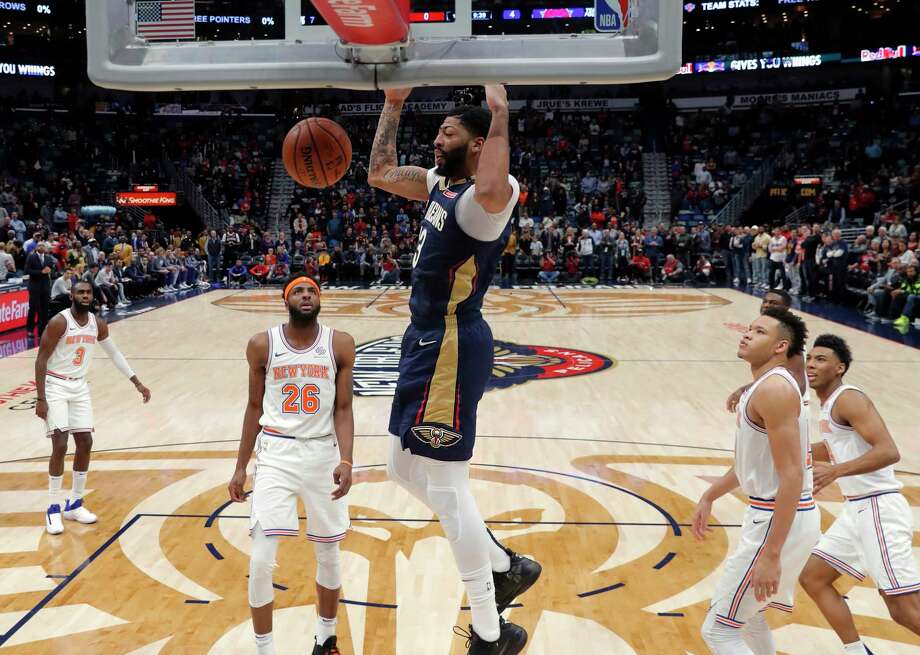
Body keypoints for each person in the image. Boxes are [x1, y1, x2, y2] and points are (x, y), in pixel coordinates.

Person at [368, 85, 539, 654]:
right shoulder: (443, 185)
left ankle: (491, 632)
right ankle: (501, 561)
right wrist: (393, 102)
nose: (437, 138)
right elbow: (379, 172)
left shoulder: (486, 201)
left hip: (452, 345)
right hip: (424, 341)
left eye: (447, 132)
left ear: (478, 143)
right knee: (399, 466)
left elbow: (493, 183)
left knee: (447, 484)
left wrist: (499, 114)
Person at [228, 276, 356, 655]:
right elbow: (253, 408)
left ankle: (325, 638)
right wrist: (240, 467)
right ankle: (265, 649)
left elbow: (344, 409)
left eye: (312, 291)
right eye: (298, 291)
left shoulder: (340, 343)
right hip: (277, 454)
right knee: (262, 559)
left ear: (320, 300)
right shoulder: (262, 344)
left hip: (322, 454)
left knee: (329, 552)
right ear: (286, 299)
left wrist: (347, 459)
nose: (306, 295)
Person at [693, 308, 819, 654]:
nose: (747, 334)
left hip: (778, 518)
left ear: (780, 346)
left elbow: (791, 475)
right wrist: (710, 494)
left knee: (718, 630)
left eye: (759, 332)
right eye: (748, 328)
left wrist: (771, 553)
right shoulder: (766, 386)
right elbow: (752, 464)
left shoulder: (774, 391)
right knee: (749, 618)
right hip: (784, 516)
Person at [798, 335, 919, 653]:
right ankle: (857, 651)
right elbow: (835, 445)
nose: (812, 363)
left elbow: (889, 452)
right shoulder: (829, 405)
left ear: (840, 368)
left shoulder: (848, 398)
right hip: (856, 511)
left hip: (878, 507)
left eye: (821, 359)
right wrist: (796, 453)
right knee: (814, 578)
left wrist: (836, 471)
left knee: (904, 609)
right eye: (810, 358)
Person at [34, 279, 151, 535]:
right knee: (61, 444)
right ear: (72, 295)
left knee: (85, 442)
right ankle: (53, 507)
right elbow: (41, 359)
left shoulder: (98, 323)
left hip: (79, 387)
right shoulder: (59, 322)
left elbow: (115, 354)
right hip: (56, 385)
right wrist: (40, 398)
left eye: (88, 292)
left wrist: (137, 383)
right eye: (80, 292)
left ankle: (74, 504)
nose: (85, 296)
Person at [725, 290, 806, 412]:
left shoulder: (789, 338)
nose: (767, 305)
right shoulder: (772, 329)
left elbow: (798, 384)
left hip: (789, 408)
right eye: (765, 301)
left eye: (773, 303)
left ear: (787, 307)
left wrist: (751, 391)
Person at [25, 242, 55, 336]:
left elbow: (53, 271)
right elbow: (27, 271)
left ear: (46, 248)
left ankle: (42, 330)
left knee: (45, 309)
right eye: (39, 245)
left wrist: (51, 271)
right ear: (36, 247)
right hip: (34, 287)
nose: (41, 247)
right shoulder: (31, 257)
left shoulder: (49, 258)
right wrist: (41, 272)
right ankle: (30, 330)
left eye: (43, 245)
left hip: (45, 287)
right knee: (33, 309)